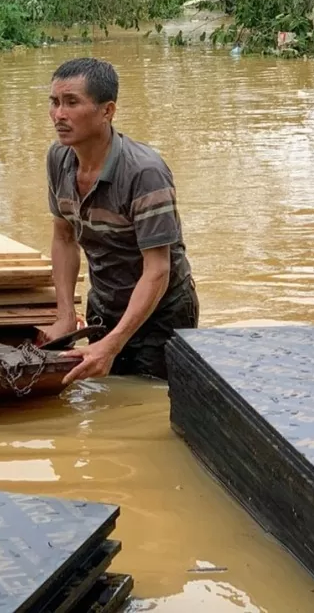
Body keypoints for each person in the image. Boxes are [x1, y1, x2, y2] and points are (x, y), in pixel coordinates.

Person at [36, 57, 198, 384]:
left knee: (147, 403)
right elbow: (64, 237)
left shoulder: (144, 173)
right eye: (54, 102)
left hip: (162, 313)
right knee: (103, 395)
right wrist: (65, 315)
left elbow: (158, 270)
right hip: (105, 304)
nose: (59, 115)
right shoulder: (59, 158)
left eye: (71, 102)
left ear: (107, 111)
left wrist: (113, 344)